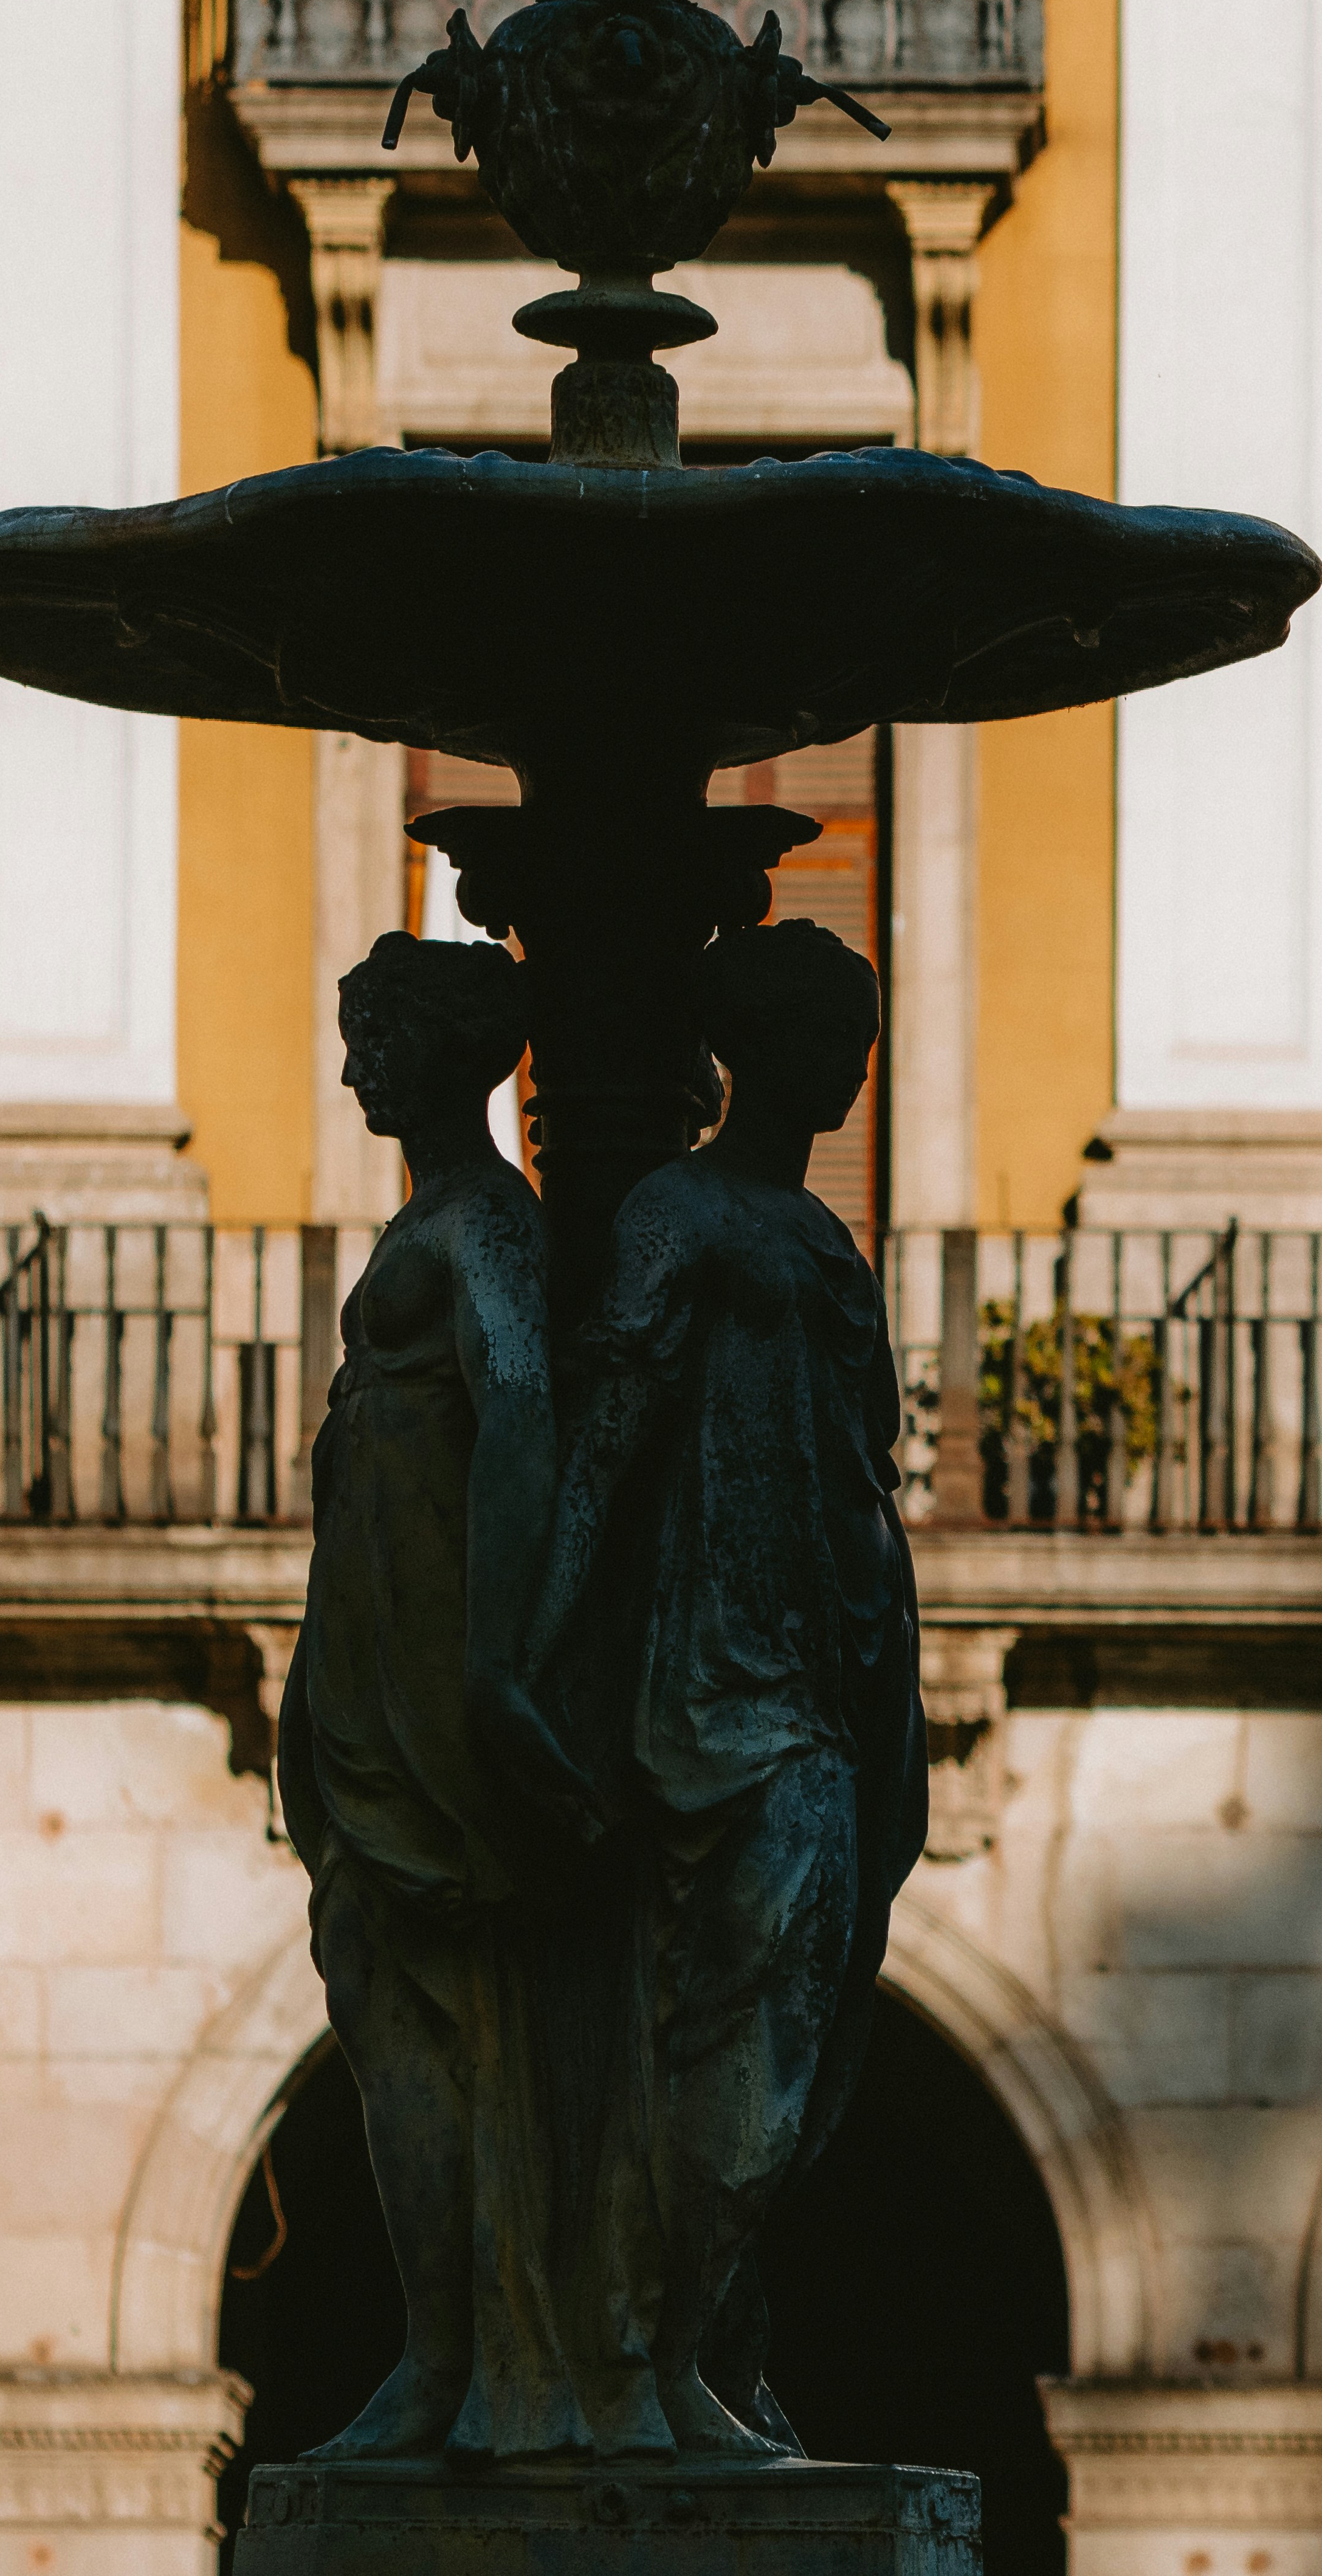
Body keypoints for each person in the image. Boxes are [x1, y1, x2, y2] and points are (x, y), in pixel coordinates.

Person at [277, 932, 658, 2464]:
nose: (358, 1061)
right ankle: (451, 2349)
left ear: (446, 1054)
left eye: (377, 1036)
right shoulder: (435, 1219)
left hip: (438, 1670)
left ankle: (468, 2356)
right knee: (387, 1991)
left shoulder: (488, 1228)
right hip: (379, 1661)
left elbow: (519, 1412)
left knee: (443, 1999)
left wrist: (501, 1662)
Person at [559, 917, 927, 2458]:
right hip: (717, 1680)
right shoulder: (679, 1212)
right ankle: (647, 2352)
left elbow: (865, 1476)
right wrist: (538, 1628)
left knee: (809, 2026)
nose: (853, 1065)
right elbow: (612, 1426)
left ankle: (704, 2342)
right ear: (756, 1048)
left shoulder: (816, 1236)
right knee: (729, 2029)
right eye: (833, 1035)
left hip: (834, 1677)